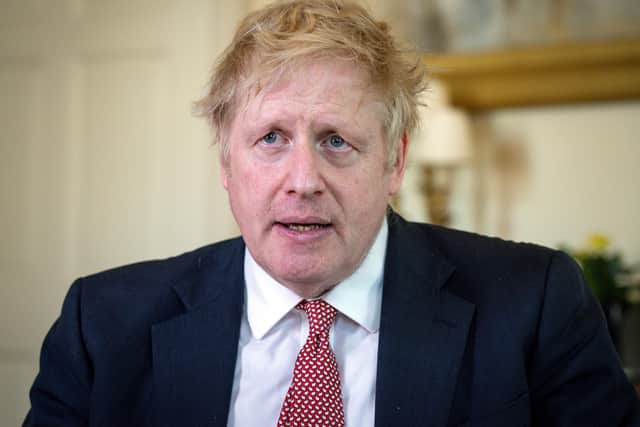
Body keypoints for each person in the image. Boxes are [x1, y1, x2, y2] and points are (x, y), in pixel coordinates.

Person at [25, 0, 639, 426]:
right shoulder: (102, 326)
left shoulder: (535, 303)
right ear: (225, 162)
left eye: (336, 141)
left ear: (395, 162)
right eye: (270, 138)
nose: (303, 181)